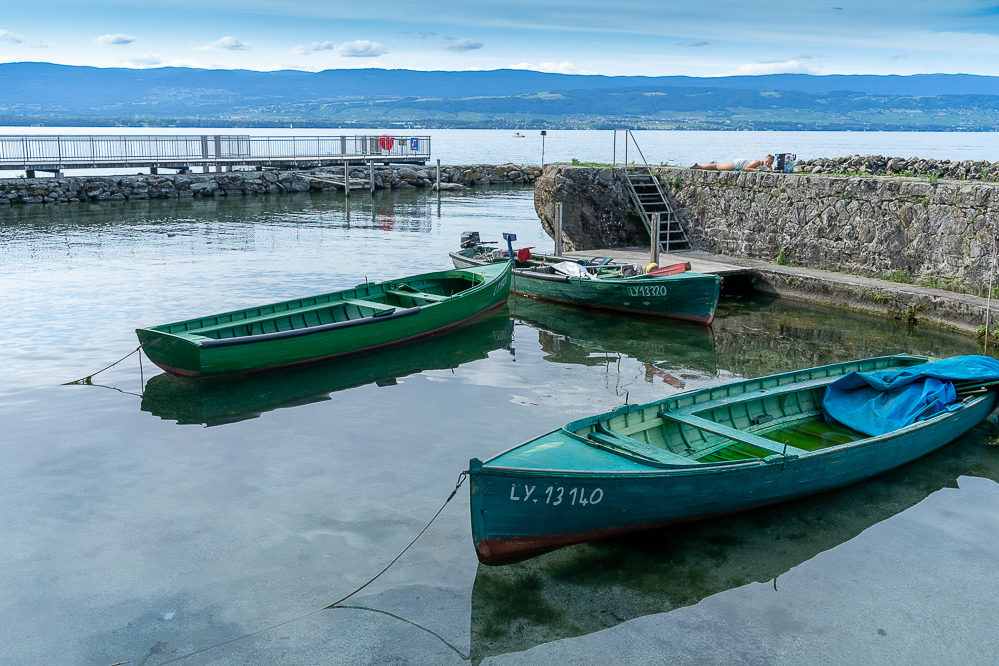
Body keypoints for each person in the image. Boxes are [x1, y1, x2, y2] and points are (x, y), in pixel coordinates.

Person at [690, 155, 774, 172]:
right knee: (717, 167)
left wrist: (769, 169)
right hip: (738, 164)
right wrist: (757, 170)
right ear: (764, 159)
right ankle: (698, 166)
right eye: (767, 162)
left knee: (718, 165)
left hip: (740, 163)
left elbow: (770, 171)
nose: (767, 164)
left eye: (770, 163)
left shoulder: (764, 165)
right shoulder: (758, 162)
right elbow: (746, 168)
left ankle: (711, 163)